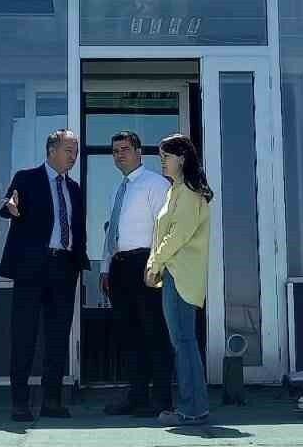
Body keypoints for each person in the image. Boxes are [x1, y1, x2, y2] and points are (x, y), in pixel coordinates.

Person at [0, 129, 89, 421]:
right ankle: (20, 403)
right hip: (31, 268)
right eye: (68, 150)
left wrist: (78, 262)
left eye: (76, 151)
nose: (73, 156)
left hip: (64, 268)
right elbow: (6, 205)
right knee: (24, 334)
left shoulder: (74, 188)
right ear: (51, 151)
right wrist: (9, 207)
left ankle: (52, 401)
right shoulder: (27, 178)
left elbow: (78, 228)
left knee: (58, 337)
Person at [100, 131, 174, 417]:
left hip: (145, 264)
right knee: (129, 334)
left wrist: (156, 266)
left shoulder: (155, 184)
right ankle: (137, 396)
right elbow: (112, 231)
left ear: (139, 152)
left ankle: (162, 399)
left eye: (125, 149)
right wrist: (105, 268)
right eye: (115, 151)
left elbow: (164, 230)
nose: (119, 155)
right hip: (119, 267)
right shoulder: (118, 189)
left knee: (154, 331)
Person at [145, 133, 214, 427]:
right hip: (175, 274)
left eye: (167, 157)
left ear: (182, 159)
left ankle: (192, 410)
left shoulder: (188, 193)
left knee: (184, 343)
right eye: (161, 157)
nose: (163, 162)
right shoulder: (176, 191)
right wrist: (157, 264)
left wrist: (154, 264)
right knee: (183, 342)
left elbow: (176, 236)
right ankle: (193, 407)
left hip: (181, 276)